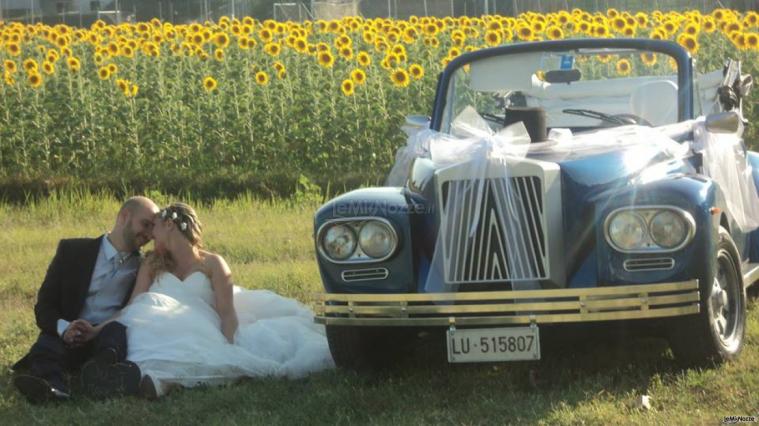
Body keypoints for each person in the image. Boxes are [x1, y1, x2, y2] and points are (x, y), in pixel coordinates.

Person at [116, 202, 333, 399]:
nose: (150, 235)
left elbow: (227, 313)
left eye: (154, 227)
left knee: (195, 348)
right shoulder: (152, 264)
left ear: (170, 225)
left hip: (203, 329)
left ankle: (162, 381)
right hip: (157, 327)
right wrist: (97, 330)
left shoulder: (212, 264)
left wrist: (229, 347)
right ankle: (137, 376)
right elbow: (134, 305)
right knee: (149, 326)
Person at [12, 196, 160, 404]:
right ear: (124, 217)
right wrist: (65, 328)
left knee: (116, 331)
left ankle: (103, 377)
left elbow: (136, 310)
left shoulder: (143, 267)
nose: (148, 235)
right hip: (69, 335)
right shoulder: (72, 251)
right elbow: (45, 304)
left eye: (153, 229)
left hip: (106, 339)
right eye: (145, 224)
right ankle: (53, 388)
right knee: (47, 344)